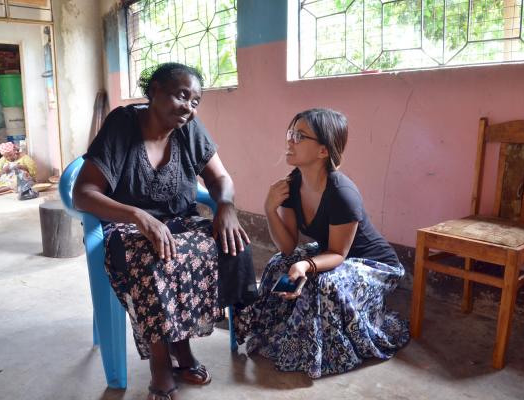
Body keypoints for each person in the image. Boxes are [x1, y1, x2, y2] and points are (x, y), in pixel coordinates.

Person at [73, 63, 255, 400]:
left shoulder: (190, 129)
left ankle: (182, 350)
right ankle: (162, 361)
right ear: (154, 90)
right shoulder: (122, 125)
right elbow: (82, 193)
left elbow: (220, 179)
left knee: (234, 245)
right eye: (182, 95)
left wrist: (227, 206)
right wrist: (137, 216)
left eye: (195, 101)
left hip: (180, 219)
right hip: (125, 226)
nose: (188, 106)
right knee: (158, 257)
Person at [235, 108, 410, 378]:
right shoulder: (291, 185)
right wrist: (269, 208)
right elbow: (287, 248)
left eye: (300, 136)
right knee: (277, 265)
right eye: (290, 133)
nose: (290, 141)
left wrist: (306, 265)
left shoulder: (342, 193)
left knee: (322, 282)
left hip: (374, 264)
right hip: (332, 253)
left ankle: (325, 349)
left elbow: (340, 253)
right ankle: (286, 332)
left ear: (323, 151)